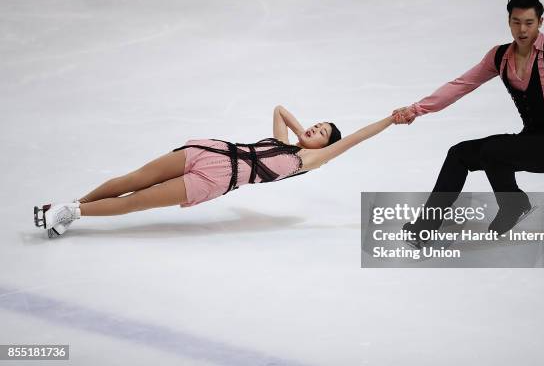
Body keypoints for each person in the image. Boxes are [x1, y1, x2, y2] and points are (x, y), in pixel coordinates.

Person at [392, 0, 544, 247]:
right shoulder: (499, 56)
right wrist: (416, 109)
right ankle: (423, 229)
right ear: (509, 21)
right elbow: (460, 85)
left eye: (529, 22)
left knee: (494, 150)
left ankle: (514, 204)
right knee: (459, 154)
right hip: (528, 141)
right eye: (516, 22)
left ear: (540, 22)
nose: (522, 29)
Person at [35, 106, 393, 238]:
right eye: (316, 125)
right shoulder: (287, 142)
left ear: (326, 147)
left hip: (215, 179)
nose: (315, 129)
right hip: (209, 150)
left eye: (322, 133)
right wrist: (300, 135)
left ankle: (73, 212)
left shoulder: (311, 161)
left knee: (137, 201)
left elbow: (359, 137)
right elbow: (281, 109)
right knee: (132, 180)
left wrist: (391, 119)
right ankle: (69, 207)